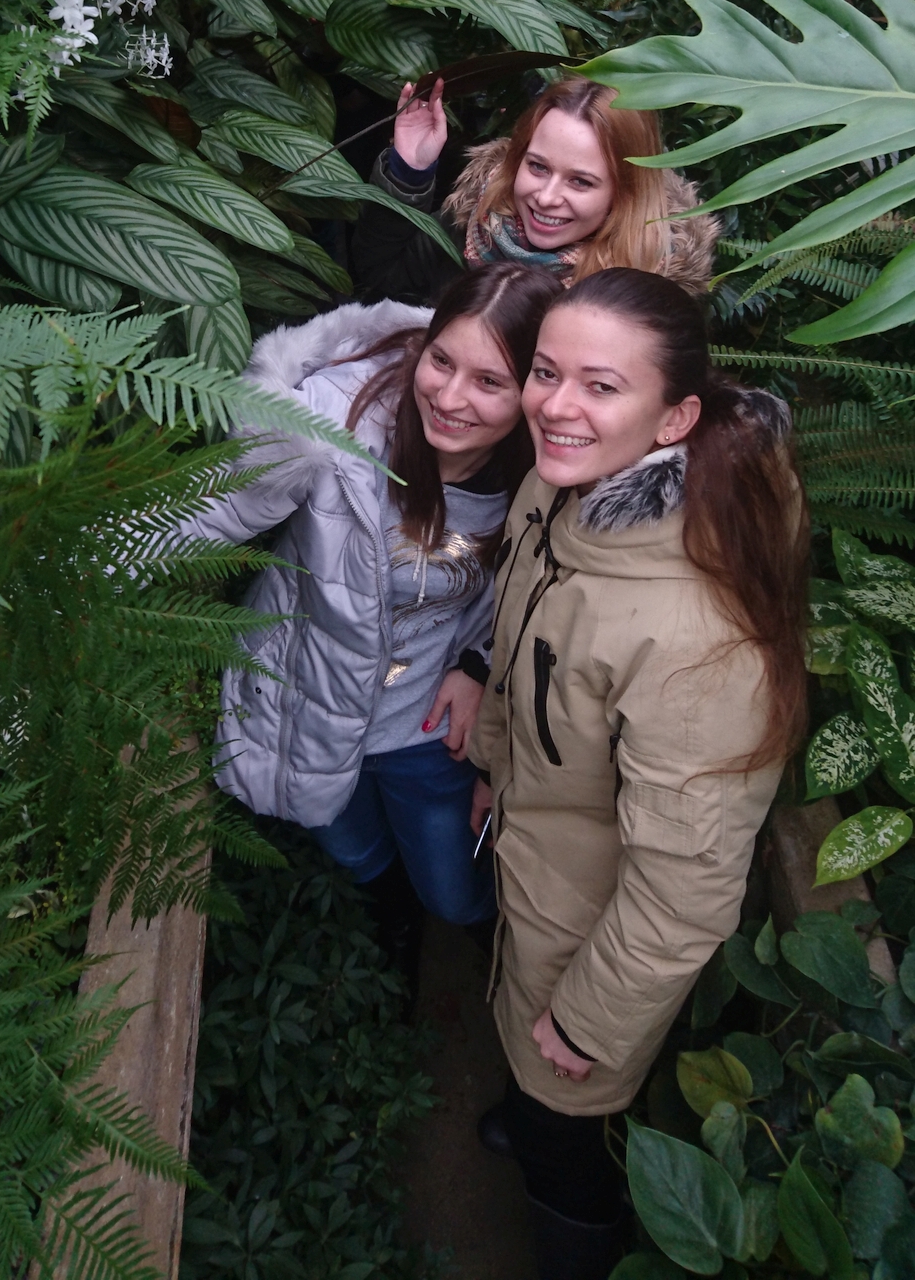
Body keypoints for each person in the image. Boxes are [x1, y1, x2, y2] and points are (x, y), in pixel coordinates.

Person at [469, 268, 809, 1278]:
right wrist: (493, 762)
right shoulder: (562, 483)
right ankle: (529, 1108)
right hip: (535, 864)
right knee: (531, 1080)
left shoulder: (696, 638)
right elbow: (521, 641)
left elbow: (684, 884)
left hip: (592, 934)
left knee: (562, 1131)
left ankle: (575, 1229)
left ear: (676, 418)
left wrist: (589, 1023)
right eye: (545, 372)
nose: (555, 405)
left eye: (600, 385)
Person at [169, 266, 562, 987]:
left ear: (533, 394)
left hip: (425, 721)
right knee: (354, 849)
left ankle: (471, 936)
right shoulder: (333, 425)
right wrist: (61, 575)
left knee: (453, 887)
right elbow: (199, 515)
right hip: (305, 700)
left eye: (488, 382)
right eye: (441, 361)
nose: (449, 397)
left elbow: (540, 591)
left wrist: (478, 662)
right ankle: (392, 921)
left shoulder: (546, 476)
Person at [351, 75, 720, 306]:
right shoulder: (480, 217)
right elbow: (379, 280)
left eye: (580, 181)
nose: (545, 197)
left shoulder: (649, 292)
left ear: (624, 193)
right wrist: (410, 170)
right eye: (538, 167)